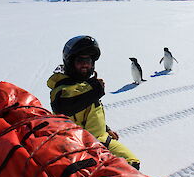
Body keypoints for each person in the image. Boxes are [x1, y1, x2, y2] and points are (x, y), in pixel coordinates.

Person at [47, 35, 140, 169]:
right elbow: (64, 106)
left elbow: (90, 110)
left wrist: (106, 129)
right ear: (70, 62)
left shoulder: (84, 86)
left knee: (132, 164)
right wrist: (94, 89)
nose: (85, 64)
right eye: (80, 60)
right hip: (80, 146)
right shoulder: (62, 89)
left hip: (101, 139)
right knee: (117, 172)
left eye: (89, 60)